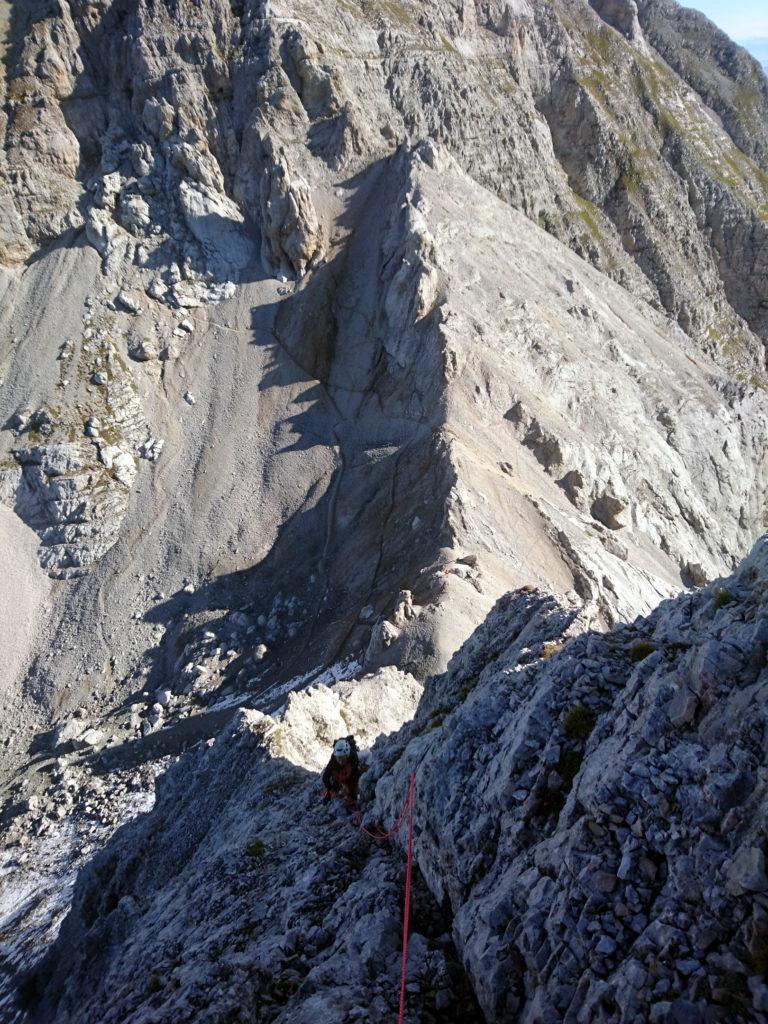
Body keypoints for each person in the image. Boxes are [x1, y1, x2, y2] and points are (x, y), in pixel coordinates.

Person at [322, 736, 361, 812]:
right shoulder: (333, 760)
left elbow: (356, 774)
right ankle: (333, 789)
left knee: (351, 781)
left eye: (342, 758)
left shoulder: (353, 756)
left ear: (347, 755)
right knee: (337, 776)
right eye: (338, 758)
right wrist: (330, 789)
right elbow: (325, 777)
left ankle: (351, 797)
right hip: (339, 771)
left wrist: (350, 793)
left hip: (349, 769)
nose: (340, 761)